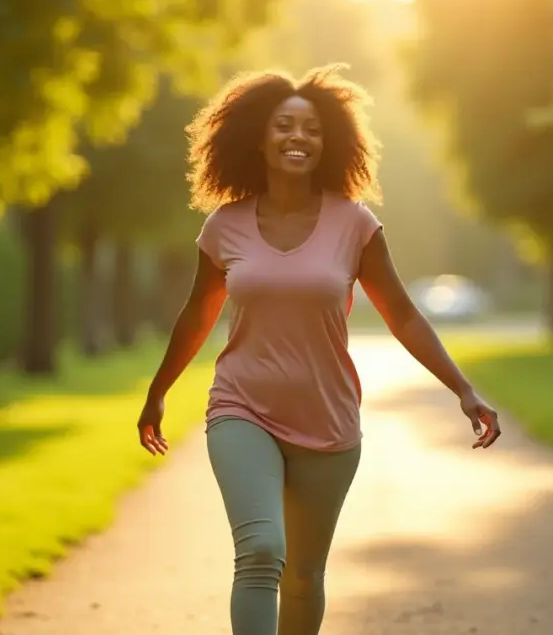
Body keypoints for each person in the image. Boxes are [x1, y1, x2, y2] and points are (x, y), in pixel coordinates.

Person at [137, 64, 502, 635]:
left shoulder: (354, 225)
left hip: (327, 420)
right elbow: (197, 315)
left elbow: (402, 313)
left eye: (310, 129)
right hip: (242, 408)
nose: (297, 138)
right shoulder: (225, 227)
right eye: (284, 125)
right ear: (259, 137)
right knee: (260, 550)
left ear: (329, 143)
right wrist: (158, 393)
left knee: (303, 577)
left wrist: (463, 388)